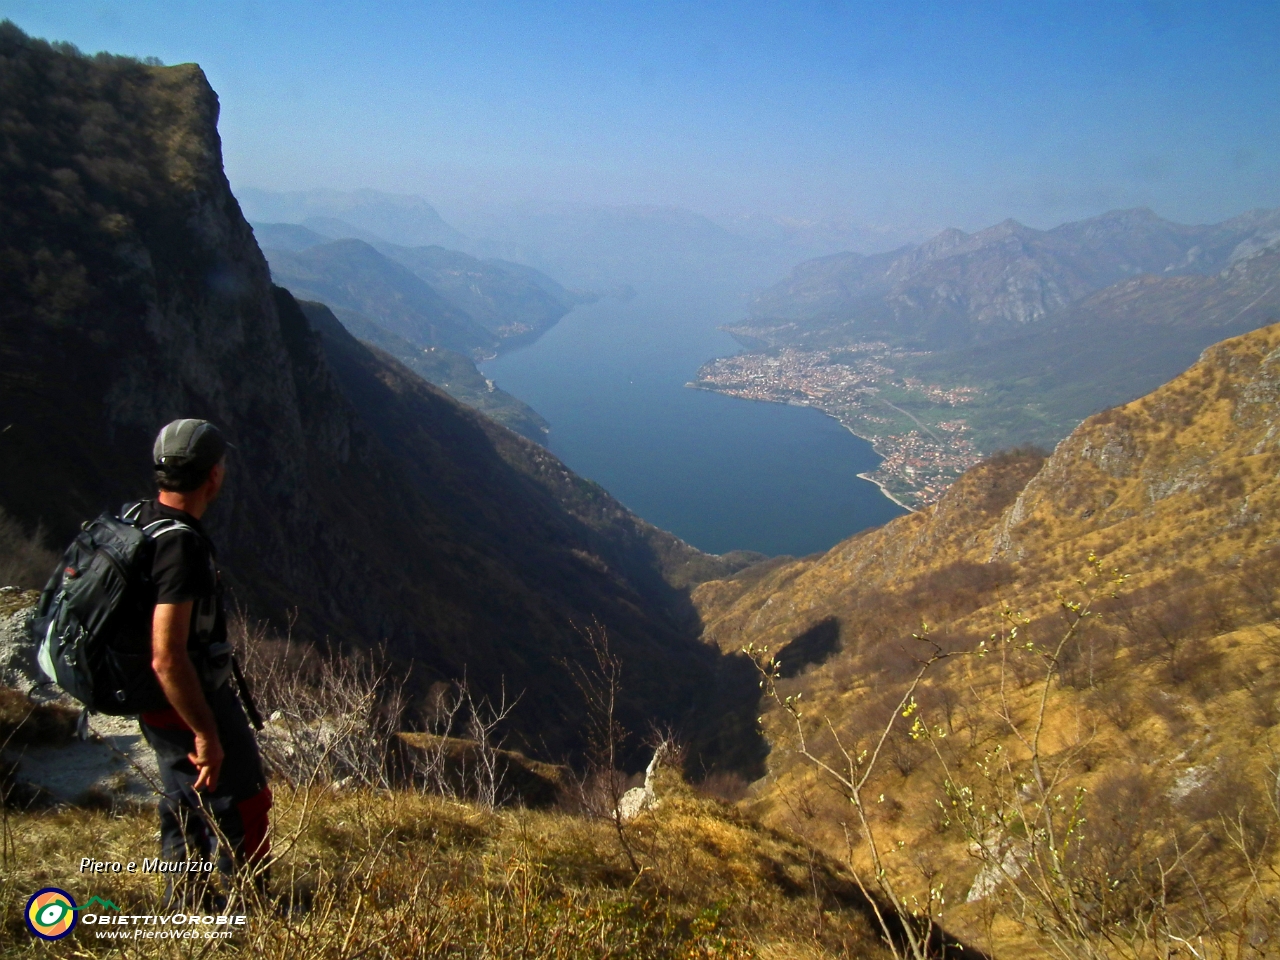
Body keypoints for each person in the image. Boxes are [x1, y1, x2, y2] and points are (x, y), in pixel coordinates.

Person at [137, 419, 271, 908]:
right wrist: (206, 733)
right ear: (213, 476)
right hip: (189, 697)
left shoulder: (139, 519)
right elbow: (168, 656)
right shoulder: (181, 547)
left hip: (149, 700)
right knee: (247, 800)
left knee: (182, 798)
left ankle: (188, 904)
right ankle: (250, 907)